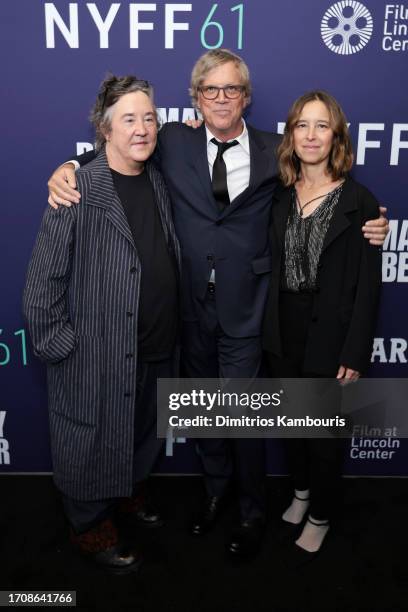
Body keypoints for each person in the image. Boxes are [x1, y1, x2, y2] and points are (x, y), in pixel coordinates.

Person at [46, 50, 388, 557]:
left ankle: (251, 511)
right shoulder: (173, 141)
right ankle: (213, 496)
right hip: (188, 310)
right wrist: (72, 166)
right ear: (196, 99)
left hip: (248, 308)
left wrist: (370, 223)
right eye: (211, 90)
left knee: (244, 417)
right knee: (205, 413)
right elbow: (120, 147)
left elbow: (327, 187)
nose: (222, 98)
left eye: (232, 90)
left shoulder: (279, 149)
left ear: (246, 98)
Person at [23, 75, 181, 573]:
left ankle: (128, 493)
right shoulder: (78, 187)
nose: (141, 128)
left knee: (140, 433)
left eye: (149, 117)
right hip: (95, 350)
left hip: (156, 342)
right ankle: (88, 525)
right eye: (129, 119)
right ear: (104, 129)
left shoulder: (157, 176)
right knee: (88, 439)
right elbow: (42, 282)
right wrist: (62, 345)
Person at [262, 90, 382, 564]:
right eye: (302, 125)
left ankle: (321, 514)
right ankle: (302, 491)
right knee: (293, 428)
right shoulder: (277, 192)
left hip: (331, 333)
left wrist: (355, 352)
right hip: (282, 329)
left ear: (336, 136)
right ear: (291, 134)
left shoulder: (360, 200)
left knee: (324, 437)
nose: (311, 135)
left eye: (322, 126)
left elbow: (369, 288)